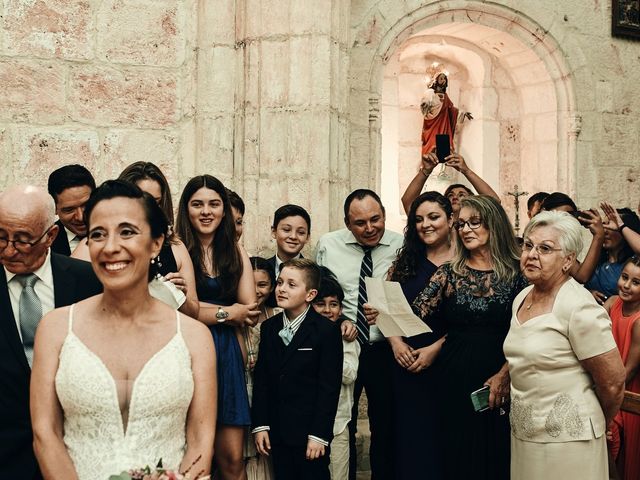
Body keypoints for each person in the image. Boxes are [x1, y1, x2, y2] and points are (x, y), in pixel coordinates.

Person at [30, 180, 216, 480]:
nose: (111, 247)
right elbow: (45, 434)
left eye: (127, 232)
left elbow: (200, 442)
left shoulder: (195, 338)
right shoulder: (54, 329)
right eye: (98, 234)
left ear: (156, 242)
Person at [411, 195, 527, 480]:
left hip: (502, 372)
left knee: (498, 451)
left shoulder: (518, 273)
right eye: (461, 224)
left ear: (494, 225)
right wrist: (383, 311)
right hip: (453, 374)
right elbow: (415, 315)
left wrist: (505, 374)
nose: (465, 229)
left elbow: (529, 332)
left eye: (474, 222)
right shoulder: (449, 272)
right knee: (456, 452)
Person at [504, 210, 625, 479]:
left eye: (545, 248)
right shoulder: (523, 297)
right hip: (525, 433)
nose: (532, 254)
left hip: (570, 439)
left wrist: (594, 421)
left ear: (568, 260)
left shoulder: (579, 306)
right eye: (528, 245)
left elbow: (613, 382)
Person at [0, 185, 102, 480]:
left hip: (75, 454)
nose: (9, 250)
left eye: (22, 240)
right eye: (1, 237)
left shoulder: (89, 281)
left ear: (51, 236)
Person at [315, 189, 403, 480]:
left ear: (384, 215)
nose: (369, 228)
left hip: (385, 347)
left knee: (386, 425)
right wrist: (337, 322)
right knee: (342, 424)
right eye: (360, 223)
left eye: (375, 219)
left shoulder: (400, 245)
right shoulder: (329, 244)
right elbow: (320, 295)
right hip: (342, 346)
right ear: (347, 223)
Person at [176, 174, 259, 480]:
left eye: (214, 203)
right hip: (187, 351)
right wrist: (227, 312)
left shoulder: (235, 251)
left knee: (233, 459)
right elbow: (178, 310)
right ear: (186, 209)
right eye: (197, 204)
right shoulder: (176, 249)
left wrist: (206, 310)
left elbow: (249, 309)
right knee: (194, 459)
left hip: (226, 354)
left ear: (225, 209)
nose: (206, 211)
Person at [252, 259, 343, 480]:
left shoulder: (326, 331)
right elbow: (262, 379)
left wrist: (319, 435)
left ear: (310, 295)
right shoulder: (269, 328)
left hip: (310, 434)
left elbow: (329, 388)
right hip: (278, 432)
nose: (281, 289)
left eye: (291, 285)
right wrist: (261, 425)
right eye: (280, 282)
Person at [387, 191, 454, 479]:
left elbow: (474, 320)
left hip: (450, 360)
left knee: (447, 439)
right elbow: (385, 305)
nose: (426, 224)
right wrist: (395, 343)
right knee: (412, 441)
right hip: (407, 361)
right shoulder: (406, 261)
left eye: (434, 217)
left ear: (451, 220)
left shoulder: (467, 261)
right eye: (418, 219)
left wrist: (436, 348)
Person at [117, 161, 199, 318]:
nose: (149, 208)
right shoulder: (102, 244)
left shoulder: (175, 246)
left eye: (156, 202)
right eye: (142, 200)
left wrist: (180, 295)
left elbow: (194, 312)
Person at [312, 269, 360, 480]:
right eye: (320, 304)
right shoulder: (303, 337)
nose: (327, 310)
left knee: (338, 474)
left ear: (341, 309)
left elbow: (349, 375)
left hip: (338, 424)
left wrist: (327, 351)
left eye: (333, 304)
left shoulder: (347, 339)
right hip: (308, 423)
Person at [605, 255, 640, 479]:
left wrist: (604, 393)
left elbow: (629, 371)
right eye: (624, 277)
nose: (626, 285)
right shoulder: (612, 303)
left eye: (636, 282)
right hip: (609, 383)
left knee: (627, 458)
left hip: (628, 391)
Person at [244, 257, 277, 480]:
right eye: (250, 283)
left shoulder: (277, 316)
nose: (256, 291)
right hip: (242, 393)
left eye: (263, 285)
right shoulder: (233, 314)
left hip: (270, 396)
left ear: (273, 286)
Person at [400, 150, 499, 216]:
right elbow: (408, 202)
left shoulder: (477, 223)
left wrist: (466, 170)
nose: (455, 197)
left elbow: (494, 202)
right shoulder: (439, 225)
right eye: (450, 195)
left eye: (461, 195)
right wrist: (426, 170)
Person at [540, 192, 605, 284]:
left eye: (568, 218)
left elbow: (581, 276)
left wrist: (598, 236)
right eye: (560, 216)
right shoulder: (537, 237)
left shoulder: (562, 244)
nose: (564, 223)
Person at [586, 208, 640, 303]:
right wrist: (588, 294)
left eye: (611, 226)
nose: (605, 231)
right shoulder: (596, 261)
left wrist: (621, 226)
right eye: (603, 225)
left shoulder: (634, 265)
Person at [47, 165, 96, 256]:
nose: (80, 217)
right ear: (54, 208)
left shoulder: (120, 232)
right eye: (69, 210)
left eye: (86, 205)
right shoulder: (44, 246)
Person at [268, 204, 311, 278]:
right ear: (274, 232)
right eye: (286, 230)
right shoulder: (260, 269)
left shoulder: (316, 275)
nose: (293, 236)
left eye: (301, 232)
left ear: (307, 237)